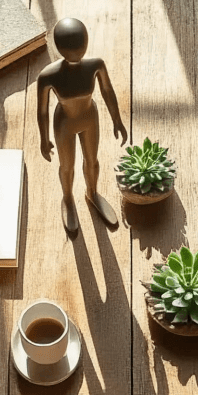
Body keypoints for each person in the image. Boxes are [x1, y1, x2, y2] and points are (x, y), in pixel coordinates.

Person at [37, 18, 128, 235]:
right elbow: (42, 111)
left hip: (89, 119)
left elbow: (107, 91)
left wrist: (117, 119)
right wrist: (44, 138)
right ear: (59, 48)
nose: (77, 53)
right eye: (71, 49)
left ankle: (92, 192)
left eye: (81, 47)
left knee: (92, 161)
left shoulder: (95, 65)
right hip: (65, 124)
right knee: (67, 166)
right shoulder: (48, 75)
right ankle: (68, 199)